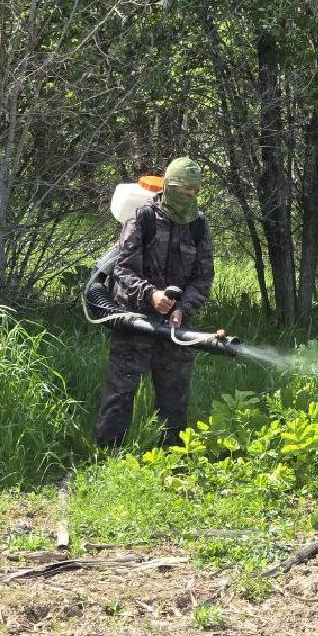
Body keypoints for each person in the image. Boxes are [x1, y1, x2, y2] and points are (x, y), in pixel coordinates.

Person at [94, 157, 215, 448]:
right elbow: (123, 268)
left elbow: (203, 277)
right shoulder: (143, 218)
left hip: (175, 326)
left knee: (174, 393)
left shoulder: (198, 226)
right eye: (185, 190)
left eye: (195, 191)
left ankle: (171, 456)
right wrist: (151, 295)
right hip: (134, 319)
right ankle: (108, 454)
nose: (191, 196)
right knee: (120, 390)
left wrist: (182, 309)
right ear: (170, 186)